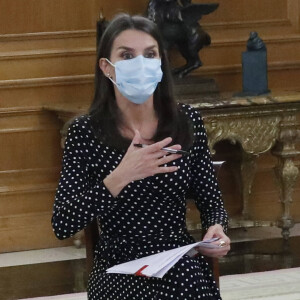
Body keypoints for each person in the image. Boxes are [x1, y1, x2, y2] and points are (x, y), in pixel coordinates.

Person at [52, 13, 230, 300]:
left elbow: (212, 202)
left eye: (150, 54)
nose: (141, 64)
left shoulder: (186, 121)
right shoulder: (85, 131)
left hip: (176, 256)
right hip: (117, 263)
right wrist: (120, 177)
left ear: (161, 63)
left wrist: (217, 228)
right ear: (107, 68)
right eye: (127, 55)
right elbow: (63, 223)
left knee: (184, 278)